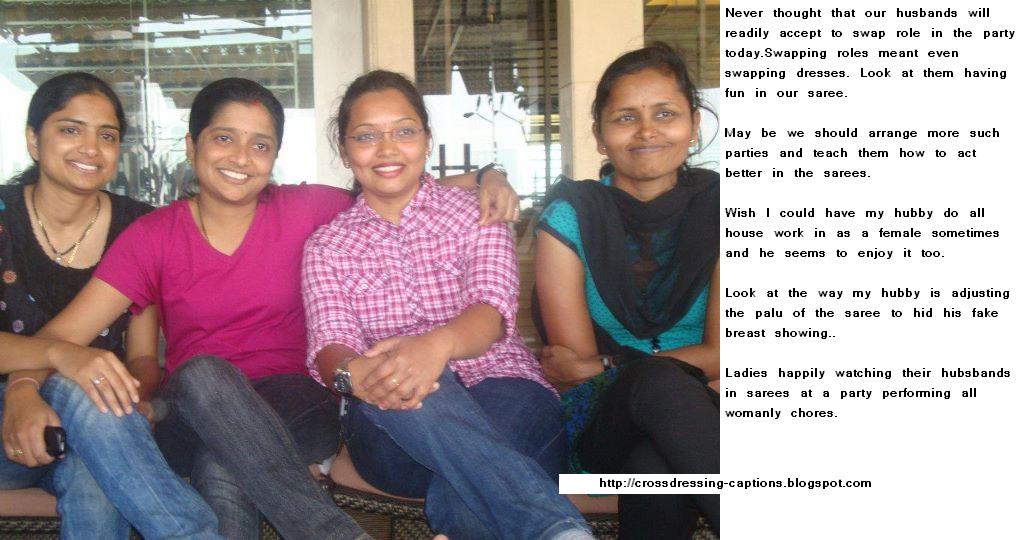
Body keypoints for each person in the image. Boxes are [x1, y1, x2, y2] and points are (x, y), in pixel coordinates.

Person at [11, 76, 518, 540]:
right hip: (192, 406)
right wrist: (25, 387)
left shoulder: (305, 208)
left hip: (297, 405)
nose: (241, 157)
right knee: (205, 385)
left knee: (223, 457)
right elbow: (61, 337)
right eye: (224, 138)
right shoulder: (152, 236)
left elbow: (393, 186)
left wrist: (487, 178)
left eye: (260, 145)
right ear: (192, 145)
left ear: (274, 157)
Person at [303, 70, 594, 540]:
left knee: (467, 473)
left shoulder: (478, 211)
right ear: (344, 149)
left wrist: (433, 347)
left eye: (403, 131)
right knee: (404, 374)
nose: (387, 149)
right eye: (366, 136)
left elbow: (491, 312)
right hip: (393, 422)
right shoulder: (327, 246)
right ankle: (554, 527)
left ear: (426, 139)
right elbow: (330, 341)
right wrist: (355, 373)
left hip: (506, 392)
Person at [0, 72, 220, 539]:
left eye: (107, 135)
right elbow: (75, 366)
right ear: (33, 140)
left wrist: (134, 398)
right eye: (70, 129)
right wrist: (46, 369)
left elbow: (142, 358)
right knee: (88, 387)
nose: (90, 148)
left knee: (97, 464)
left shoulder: (137, 227)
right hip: (9, 429)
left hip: (95, 421)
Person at [533, 43, 720, 538]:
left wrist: (611, 363)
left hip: (709, 411)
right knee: (657, 384)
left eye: (665, 114)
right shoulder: (570, 217)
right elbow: (575, 371)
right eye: (625, 118)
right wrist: (621, 372)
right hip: (602, 420)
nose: (646, 131)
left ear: (694, 125)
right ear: (600, 136)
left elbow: (726, 354)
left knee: (654, 463)